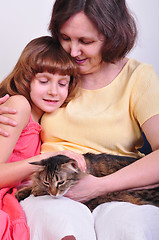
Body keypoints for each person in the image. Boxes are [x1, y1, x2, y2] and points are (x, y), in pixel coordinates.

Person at [0, 0, 159, 239]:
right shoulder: (55, 75)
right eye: (65, 38)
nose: (73, 52)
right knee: (63, 225)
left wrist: (99, 186)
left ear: (112, 35)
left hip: (114, 185)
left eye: (86, 41)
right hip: (51, 190)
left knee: (129, 227)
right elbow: (20, 115)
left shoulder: (138, 77)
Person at [0, 35, 79, 239]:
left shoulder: (45, 118)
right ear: (27, 78)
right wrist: (49, 159)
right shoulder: (19, 105)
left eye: (62, 84)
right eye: (44, 81)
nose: (53, 91)